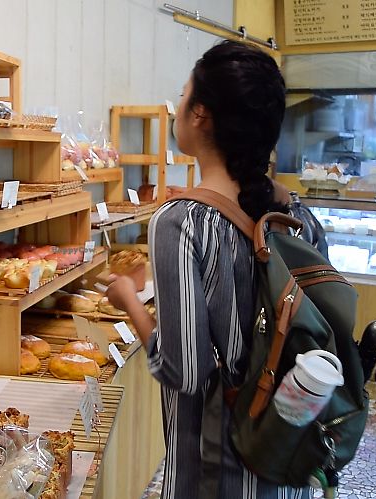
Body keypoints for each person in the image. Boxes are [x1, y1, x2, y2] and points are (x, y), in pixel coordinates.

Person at [105, 41, 310, 498]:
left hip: (217, 471)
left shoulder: (181, 222)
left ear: (200, 114)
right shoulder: (297, 214)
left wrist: (128, 300)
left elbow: (186, 372)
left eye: (183, 95)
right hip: (285, 456)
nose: (178, 106)